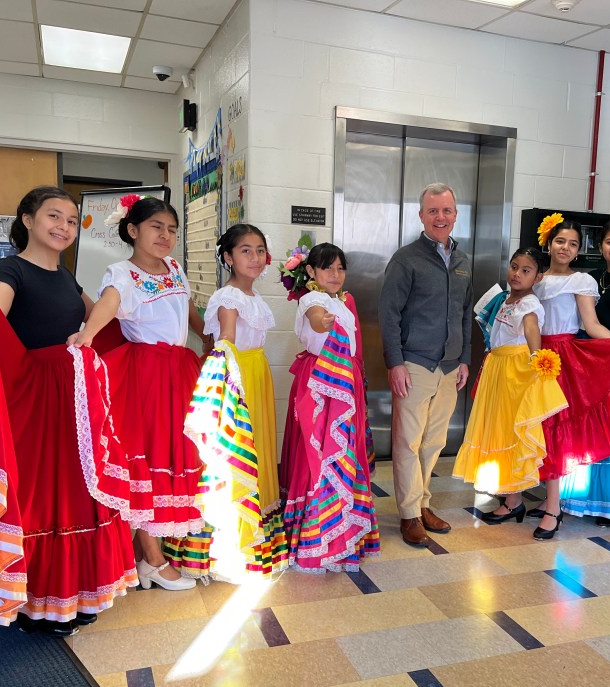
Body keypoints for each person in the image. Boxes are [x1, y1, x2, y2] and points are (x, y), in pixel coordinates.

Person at [0, 186, 137, 636]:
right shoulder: (10, 270)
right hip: (33, 399)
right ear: (28, 219)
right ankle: (35, 600)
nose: (64, 227)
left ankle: (78, 592)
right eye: (54, 216)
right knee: (41, 492)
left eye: (71, 221)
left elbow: (101, 319)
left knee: (78, 489)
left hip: (74, 399)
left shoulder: (67, 276)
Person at [70, 196, 207, 591]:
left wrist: (211, 339)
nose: (165, 236)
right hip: (146, 376)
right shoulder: (122, 273)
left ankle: (150, 552)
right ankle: (152, 558)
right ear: (133, 230)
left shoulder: (175, 268)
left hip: (179, 372)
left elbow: (189, 313)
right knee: (148, 458)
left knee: (175, 455)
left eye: (172, 229)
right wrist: (88, 335)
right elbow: (108, 305)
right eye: (156, 227)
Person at [529, 216, 610, 539]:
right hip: (530, 355)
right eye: (560, 241)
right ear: (548, 243)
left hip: (561, 359)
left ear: (579, 250)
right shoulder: (534, 277)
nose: (566, 248)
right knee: (533, 428)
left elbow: (592, 325)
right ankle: (529, 497)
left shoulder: (582, 281)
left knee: (555, 429)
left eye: (573, 243)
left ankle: (553, 508)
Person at [183, 224, 287, 580]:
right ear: (228, 257)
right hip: (238, 379)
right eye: (245, 250)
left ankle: (255, 540)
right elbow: (225, 339)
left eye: (259, 250)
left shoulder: (253, 296)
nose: (255, 257)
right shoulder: (228, 297)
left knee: (257, 450)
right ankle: (232, 551)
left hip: (257, 373)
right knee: (238, 455)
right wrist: (228, 380)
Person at [379, 182, 472, 547]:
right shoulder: (406, 259)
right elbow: (388, 315)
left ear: (456, 214)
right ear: (421, 216)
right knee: (407, 442)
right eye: (433, 211)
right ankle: (409, 514)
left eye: (446, 210)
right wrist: (395, 363)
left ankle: (423, 504)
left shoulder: (463, 262)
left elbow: (465, 314)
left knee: (433, 443)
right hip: (414, 363)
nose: (440, 217)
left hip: (450, 367)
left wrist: (464, 359)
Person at [453, 248, 567, 538]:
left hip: (515, 372)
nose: (517, 273)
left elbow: (531, 329)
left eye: (526, 270)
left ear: (537, 277)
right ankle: (512, 500)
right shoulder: (505, 298)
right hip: (497, 369)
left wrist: (536, 357)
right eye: (514, 267)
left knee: (511, 433)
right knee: (499, 432)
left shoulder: (529, 303)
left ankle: (515, 500)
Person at [279, 243, 379, 571]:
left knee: (343, 453)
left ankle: (343, 535)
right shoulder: (312, 299)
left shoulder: (344, 301)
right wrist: (324, 320)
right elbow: (318, 321)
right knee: (319, 454)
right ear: (311, 271)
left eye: (340, 268)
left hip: (344, 383)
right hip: (321, 383)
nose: (335, 274)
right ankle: (318, 540)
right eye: (327, 268)